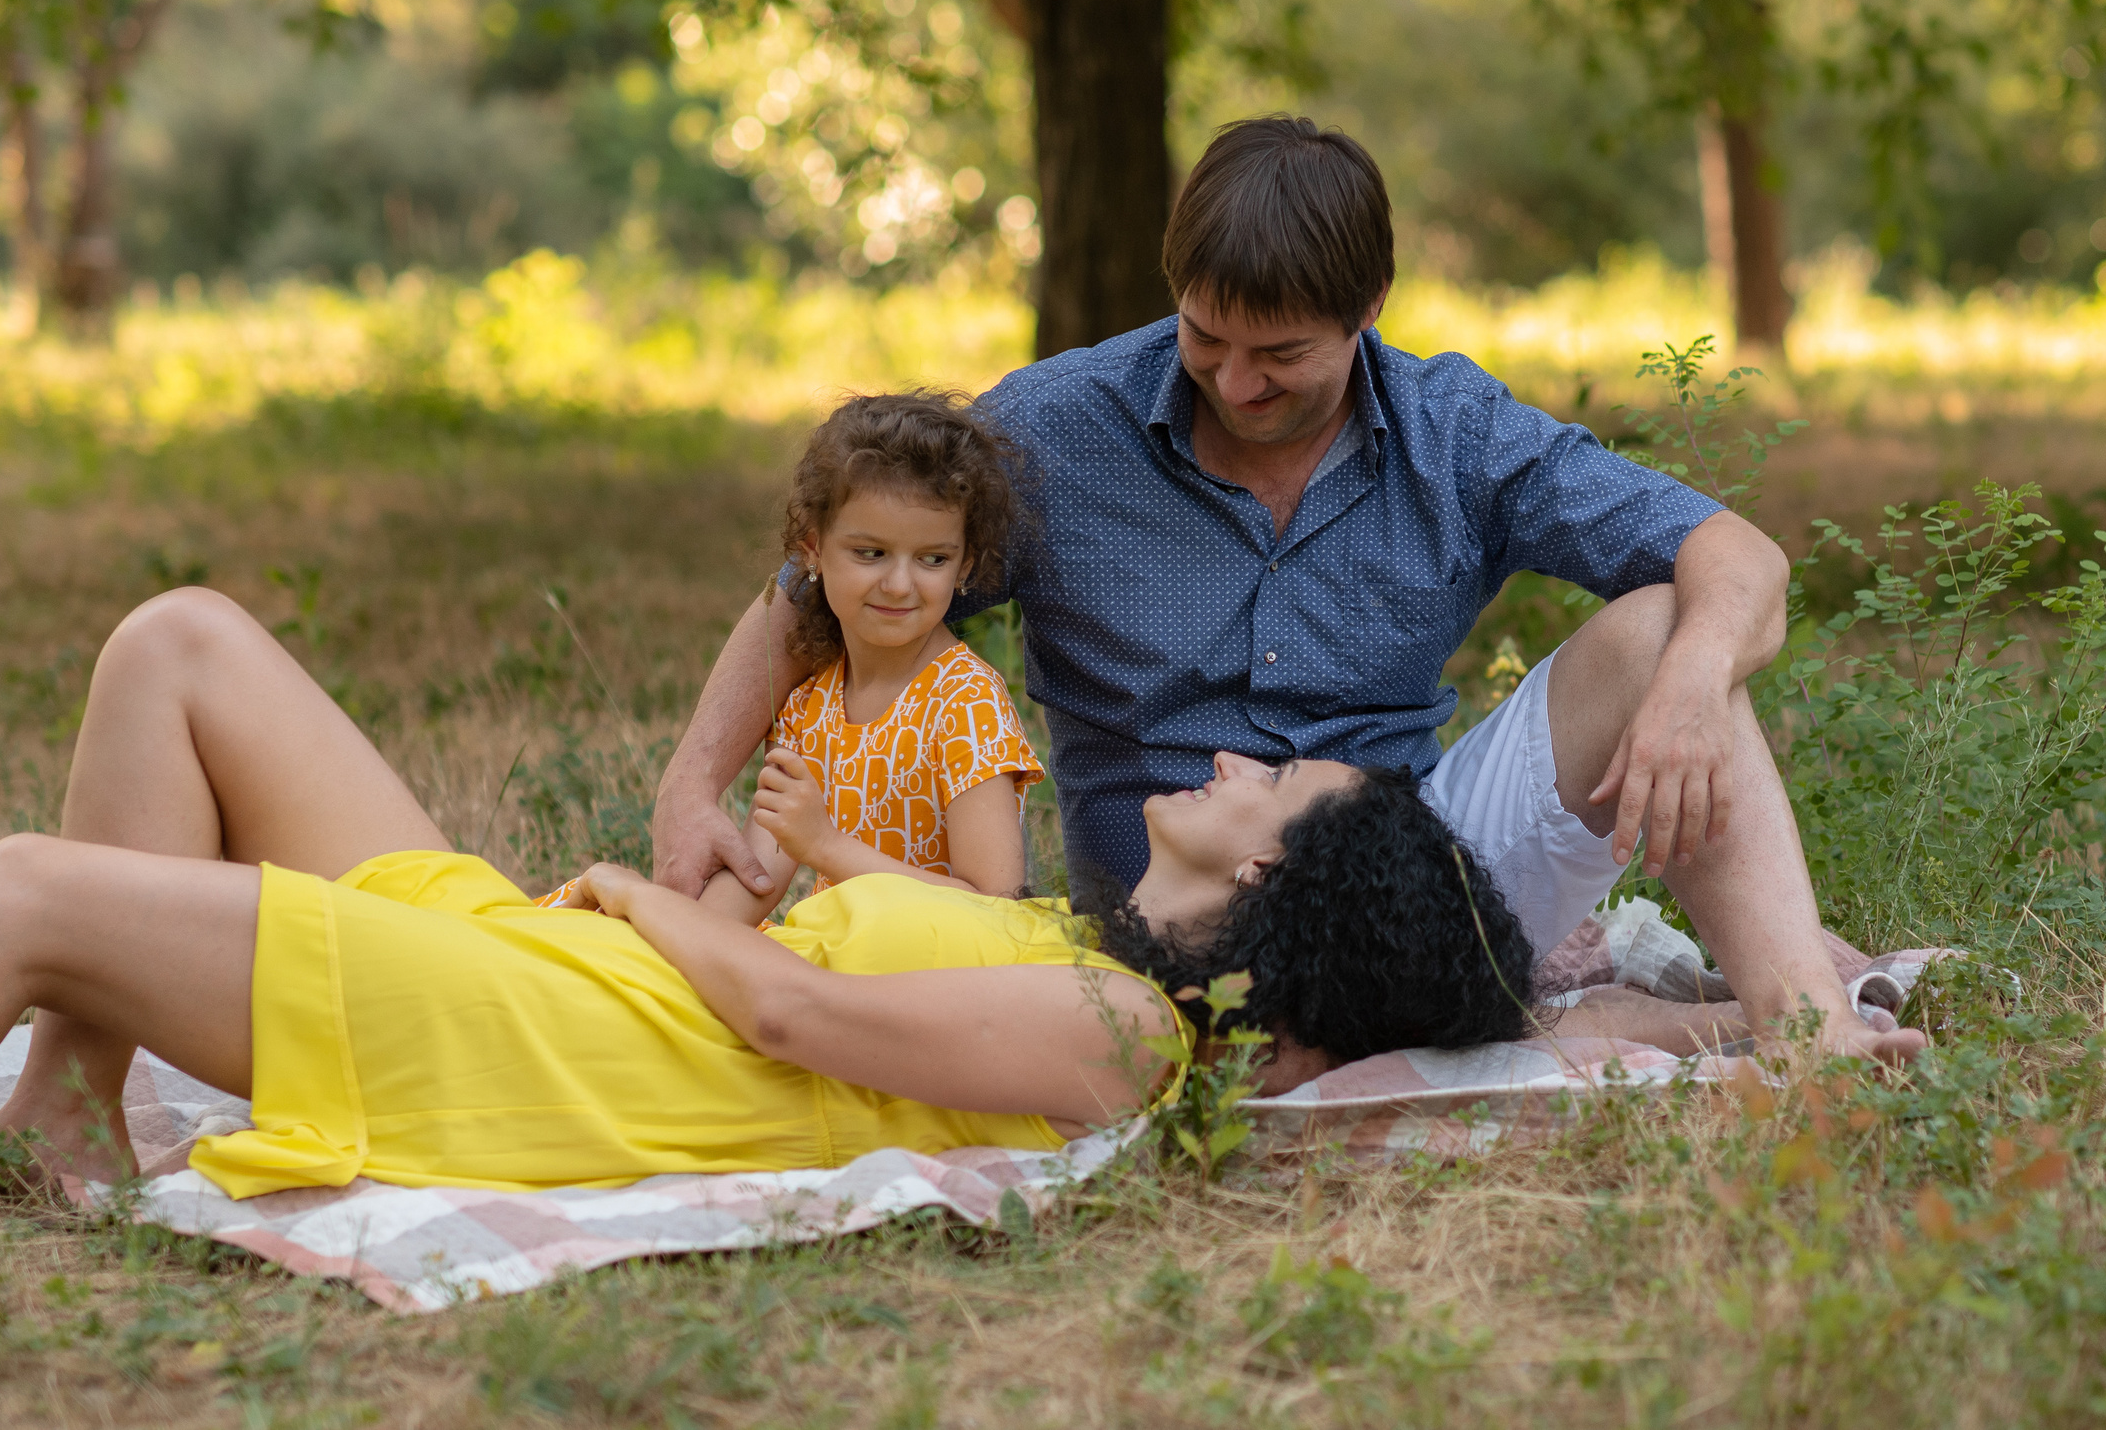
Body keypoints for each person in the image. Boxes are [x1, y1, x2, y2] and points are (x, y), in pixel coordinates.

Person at [652, 115, 1926, 1067]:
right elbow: (814, 591)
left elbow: (1739, 557)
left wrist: (1694, 689)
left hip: (1407, 873)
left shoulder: (1453, 430)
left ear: (1369, 308)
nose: (1237, 382)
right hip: (1182, 920)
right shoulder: (1053, 429)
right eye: (1207, 339)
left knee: (1662, 627)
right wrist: (688, 783)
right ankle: (1593, 1015)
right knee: (1250, 1063)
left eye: (1283, 355)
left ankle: (1806, 1032)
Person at [0, 589, 1535, 1199]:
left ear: (1289, 866)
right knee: (180, 640)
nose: (1229, 763)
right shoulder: (1079, 956)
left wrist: (630, 886)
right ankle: (65, 1109)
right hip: (546, 967)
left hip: (526, 1031)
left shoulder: (1126, 1026)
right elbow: (806, 1003)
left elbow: (790, 1022)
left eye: (1275, 776)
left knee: (30, 888)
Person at [534, 391, 1044, 915]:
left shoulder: (964, 701)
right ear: (813, 550)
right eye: (870, 553)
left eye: (932, 559)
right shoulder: (809, 708)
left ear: (964, 567)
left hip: (930, 982)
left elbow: (995, 908)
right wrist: (651, 921)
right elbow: (748, 891)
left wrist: (826, 847)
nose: (898, 584)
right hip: (836, 962)